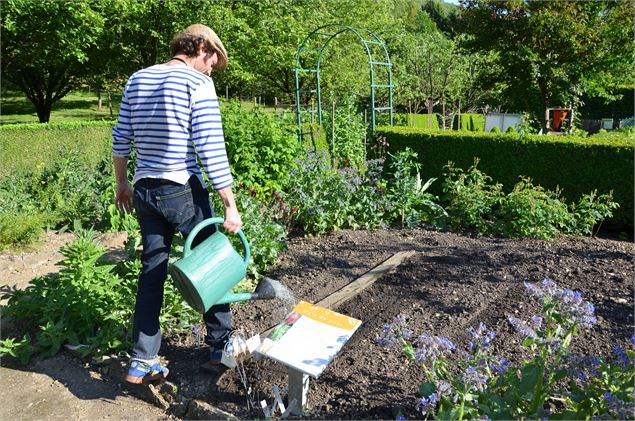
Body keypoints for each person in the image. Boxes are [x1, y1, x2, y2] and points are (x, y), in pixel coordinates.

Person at [111, 24, 242, 384]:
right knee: (212, 262)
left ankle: (142, 359)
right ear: (200, 47)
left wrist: (122, 184)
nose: (213, 66)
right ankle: (221, 346)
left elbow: (121, 138)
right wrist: (229, 203)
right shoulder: (197, 84)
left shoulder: (138, 79)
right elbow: (211, 147)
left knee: (152, 270)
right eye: (213, 58)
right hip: (181, 188)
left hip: (145, 191)